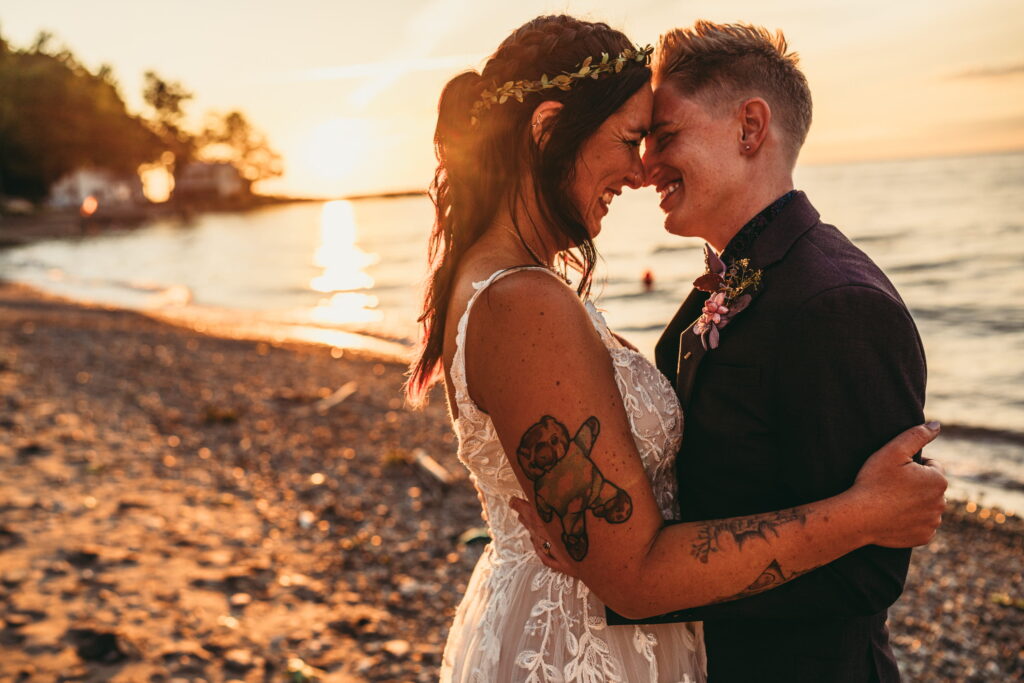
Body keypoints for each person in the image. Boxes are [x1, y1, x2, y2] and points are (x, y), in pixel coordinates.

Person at [406, 15, 946, 682]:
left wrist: (597, 545)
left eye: (661, 137)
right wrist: (604, 552)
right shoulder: (524, 299)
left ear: (751, 128)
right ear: (546, 131)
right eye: (633, 139)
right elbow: (636, 566)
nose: (641, 170)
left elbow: (865, 576)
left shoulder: (837, 301)